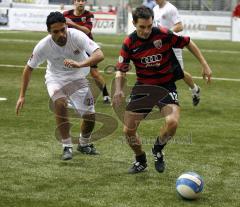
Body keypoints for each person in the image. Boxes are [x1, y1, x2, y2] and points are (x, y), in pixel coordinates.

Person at [112, 6, 212, 174]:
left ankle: (157, 149)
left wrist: (205, 65)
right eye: (142, 27)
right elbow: (121, 69)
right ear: (134, 24)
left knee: (172, 122)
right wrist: (118, 90)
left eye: (149, 26)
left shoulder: (163, 34)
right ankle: (140, 159)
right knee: (128, 131)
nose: (146, 31)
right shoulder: (129, 42)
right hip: (144, 87)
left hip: (166, 86)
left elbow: (188, 42)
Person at [15, 12, 104, 160]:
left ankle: (84, 143)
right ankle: (66, 146)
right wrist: (21, 96)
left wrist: (80, 64)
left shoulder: (76, 36)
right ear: (49, 32)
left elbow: (99, 54)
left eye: (63, 29)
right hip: (55, 78)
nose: (61, 34)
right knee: (59, 101)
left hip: (78, 77)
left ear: (66, 26)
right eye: (56, 31)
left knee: (90, 116)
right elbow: (28, 68)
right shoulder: (43, 46)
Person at [153, 0, 201, 106]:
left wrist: (167, 33)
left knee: (180, 73)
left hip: (173, 46)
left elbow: (179, 26)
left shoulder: (171, 8)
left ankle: (195, 89)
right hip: (161, 46)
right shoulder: (155, 9)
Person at [64, 0, 111, 104]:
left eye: (82, 0)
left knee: (94, 73)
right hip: (73, 47)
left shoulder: (89, 15)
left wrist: (72, 24)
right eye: (78, 0)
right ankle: (69, 96)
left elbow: (87, 31)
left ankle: (106, 94)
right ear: (74, 2)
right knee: (70, 71)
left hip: (88, 46)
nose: (80, 3)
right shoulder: (66, 14)